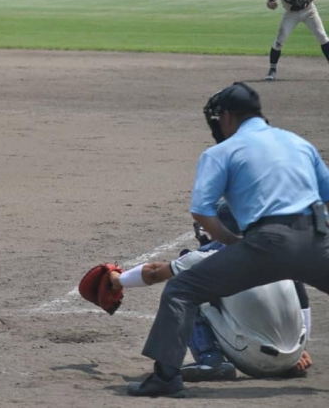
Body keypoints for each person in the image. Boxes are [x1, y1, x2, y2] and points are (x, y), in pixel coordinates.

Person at [126, 81, 329, 398]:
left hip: (266, 242)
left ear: (228, 117)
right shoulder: (298, 142)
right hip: (315, 236)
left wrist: (234, 244)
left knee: (182, 290)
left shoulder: (221, 152)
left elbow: (202, 212)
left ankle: (165, 378)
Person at [109, 202, 312, 383]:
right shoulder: (278, 250)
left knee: (186, 289)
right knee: (291, 286)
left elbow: (154, 273)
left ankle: (210, 360)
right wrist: (297, 352)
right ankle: (295, 351)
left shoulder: (207, 257)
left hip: (254, 357)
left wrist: (118, 280)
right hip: (293, 354)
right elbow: (303, 302)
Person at [264, 0, 329, 81]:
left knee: (322, 36)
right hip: (290, 14)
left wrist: (308, 1)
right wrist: (271, 5)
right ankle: (272, 69)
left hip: (309, 12)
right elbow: (269, 1)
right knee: (279, 40)